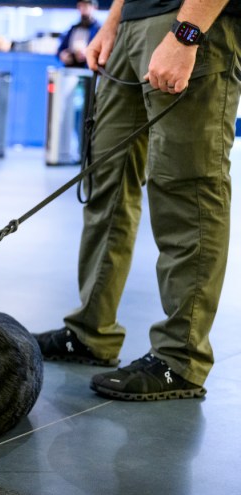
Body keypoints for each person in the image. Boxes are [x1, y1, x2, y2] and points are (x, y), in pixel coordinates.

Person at [35, 0, 241, 401]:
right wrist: (114, 21)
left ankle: (180, 359)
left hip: (189, 20)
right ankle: (91, 331)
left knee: (188, 187)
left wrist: (187, 32)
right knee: (106, 183)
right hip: (133, 25)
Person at [57, 0, 101, 68]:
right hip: (71, 68)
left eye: (86, 6)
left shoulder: (99, 30)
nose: (83, 9)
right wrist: (62, 54)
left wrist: (88, 54)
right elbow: (61, 49)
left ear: (94, 7)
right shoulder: (73, 28)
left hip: (89, 69)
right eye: (80, 6)